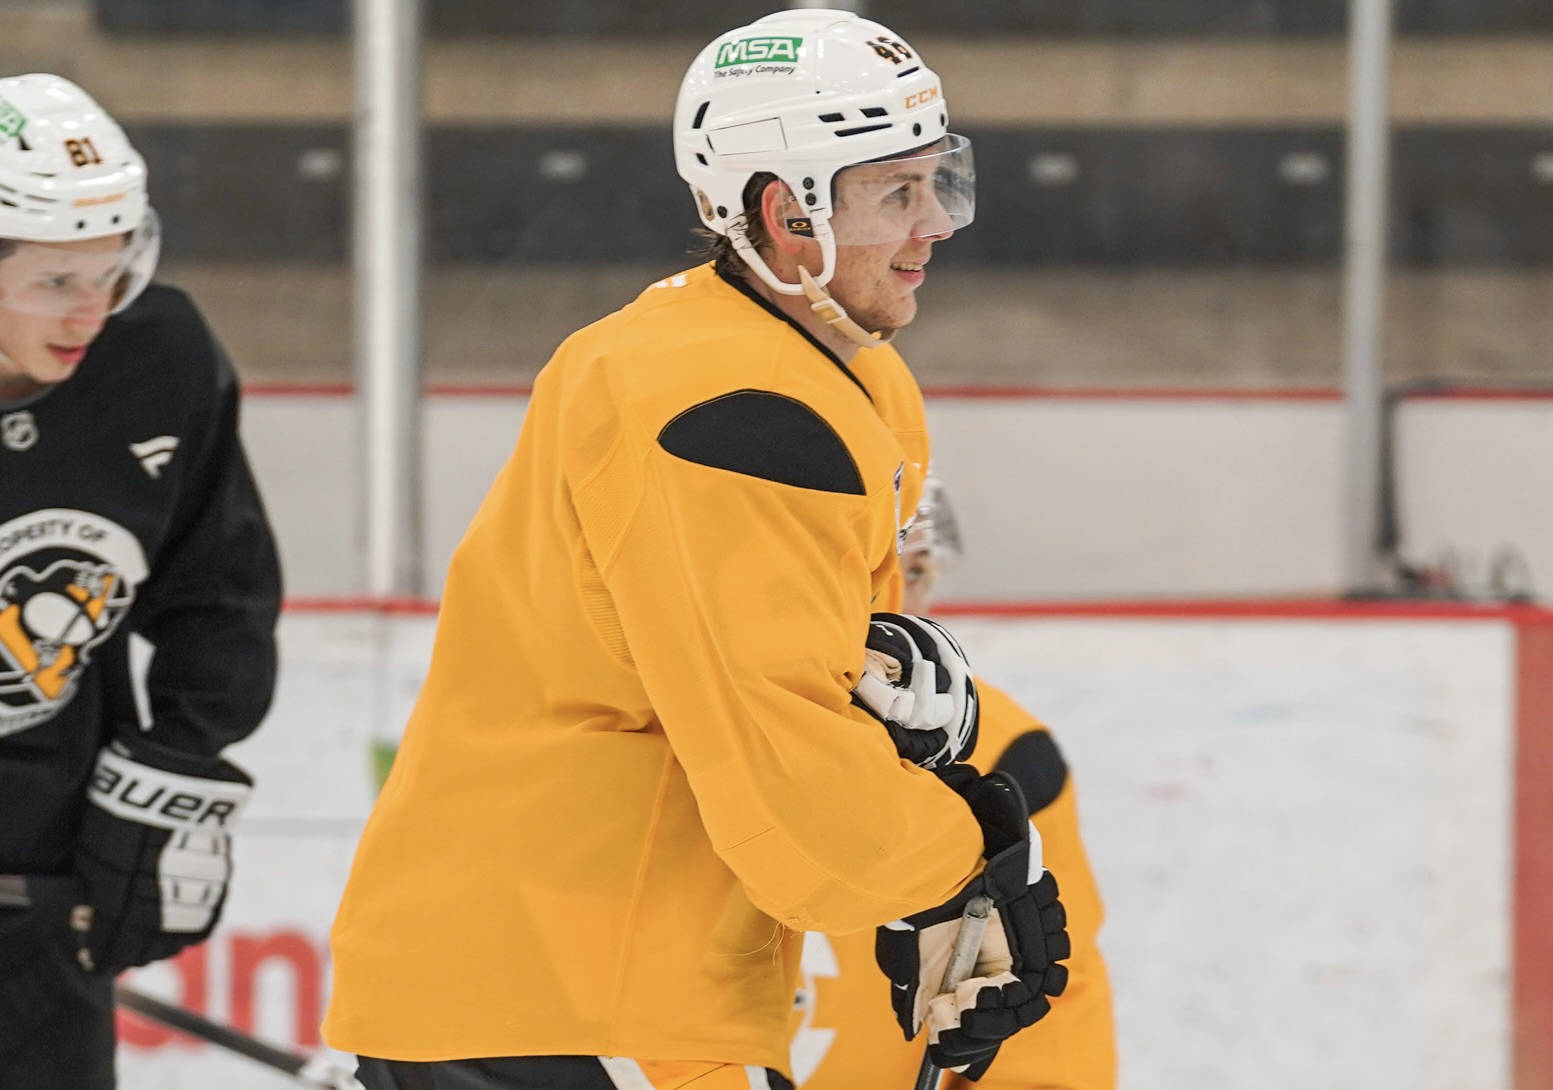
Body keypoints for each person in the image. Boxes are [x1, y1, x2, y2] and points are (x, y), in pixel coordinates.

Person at [325, 10, 1067, 1089]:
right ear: (782, 209)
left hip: (589, 983)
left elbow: (819, 678)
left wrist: (905, 709)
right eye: (894, 192)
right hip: (574, 992)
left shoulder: (835, 372)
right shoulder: (731, 410)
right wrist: (974, 856)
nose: (936, 224)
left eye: (938, 177)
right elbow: (796, 801)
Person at [0, 73, 282, 1089]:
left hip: (43, 889)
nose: (93, 312)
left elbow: (221, 590)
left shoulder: (156, 358)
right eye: (54, 283)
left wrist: (178, 763)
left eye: (112, 272)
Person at [790, 478, 1118, 1090]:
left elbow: (1045, 1029)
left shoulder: (1003, 756)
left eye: (914, 574)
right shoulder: (657, 720)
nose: (894, 603)